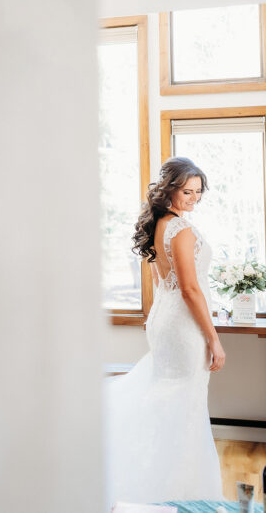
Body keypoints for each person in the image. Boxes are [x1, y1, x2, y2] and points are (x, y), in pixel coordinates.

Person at [104, 157, 225, 506]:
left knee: (169, 397)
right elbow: (189, 289)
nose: (193, 199)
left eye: (198, 193)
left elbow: (162, 282)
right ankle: (178, 490)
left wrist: (161, 315)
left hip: (164, 318)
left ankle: (164, 480)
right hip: (182, 325)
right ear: (169, 188)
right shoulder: (182, 230)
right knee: (184, 401)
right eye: (187, 191)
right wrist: (214, 339)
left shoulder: (159, 224)